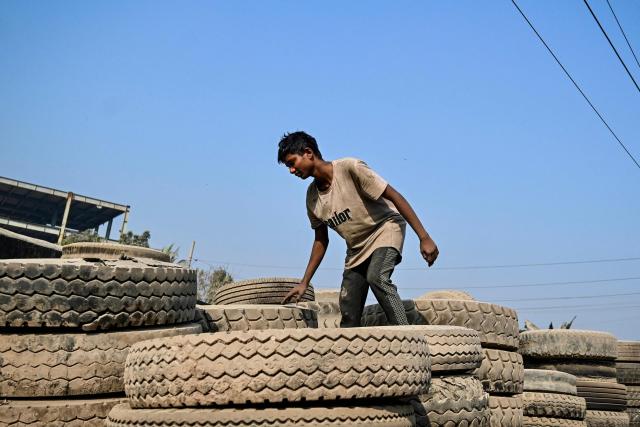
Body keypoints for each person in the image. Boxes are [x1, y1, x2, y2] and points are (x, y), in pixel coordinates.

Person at [278, 131, 439, 327]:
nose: (291, 171)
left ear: (308, 153)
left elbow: (395, 196)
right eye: (288, 167)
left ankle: (406, 335)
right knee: (348, 306)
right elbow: (321, 240)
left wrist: (424, 237)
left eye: (292, 163)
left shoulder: (349, 168)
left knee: (377, 277)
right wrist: (304, 282)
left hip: (385, 229)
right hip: (356, 249)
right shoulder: (312, 198)